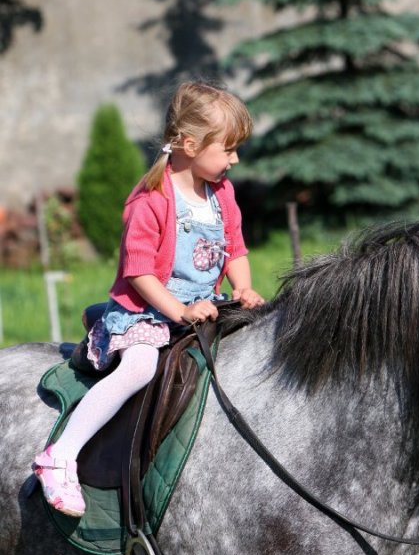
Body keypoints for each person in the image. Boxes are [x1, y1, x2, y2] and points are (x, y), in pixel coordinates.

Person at [33, 80, 265, 517]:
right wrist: (179, 310)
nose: (235, 159)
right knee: (140, 367)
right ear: (191, 144)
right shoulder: (150, 201)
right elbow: (139, 272)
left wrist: (243, 287)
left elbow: (235, 247)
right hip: (148, 312)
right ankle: (60, 455)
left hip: (204, 304)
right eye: (229, 149)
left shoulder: (222, 194)